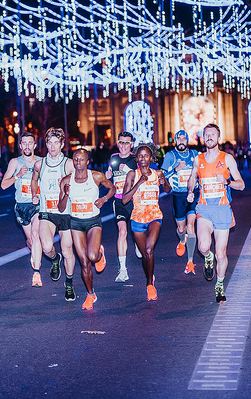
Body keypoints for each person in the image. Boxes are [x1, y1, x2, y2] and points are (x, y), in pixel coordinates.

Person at [187, 124, 245, 303]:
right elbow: (192, 178)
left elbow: (241, 184)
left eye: (213, 134)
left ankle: (219, 284)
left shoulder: (227, 159)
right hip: (204, 209)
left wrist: (227, 181)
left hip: (222, 210)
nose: (209, 137)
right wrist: (190, 191)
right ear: (203, 138)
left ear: (218, 138)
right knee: (203, 247)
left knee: (222, 253)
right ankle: (208, 258)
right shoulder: (198, 159)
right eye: (207, 134)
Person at [58, 149, 115, 309]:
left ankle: (100, 255)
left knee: (92, 255)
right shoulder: (66, 181)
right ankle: (91, 294)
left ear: (87, 161)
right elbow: (61, 208)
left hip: (93, 222)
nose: (78, 163)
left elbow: (112, 189)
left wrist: (103, 199)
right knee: (84, 262)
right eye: (75, 159)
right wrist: (66, 195)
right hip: (76, 223)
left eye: (81, 159)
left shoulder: (96, 176)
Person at [31, 127, 76, 301]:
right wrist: (35, 194)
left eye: (56, 143)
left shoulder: (69, 164)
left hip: (65, 212)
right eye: (49, 143)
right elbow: (34, 180)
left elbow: (81, 180)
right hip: (47, 211)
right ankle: (54, 260)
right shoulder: (39, 164)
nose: (52, 146)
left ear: (62, 144)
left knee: (67, 251)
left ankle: (69, 284)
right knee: (47, 247)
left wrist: (67, 187)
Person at [122, 143, 171, 301]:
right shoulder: (132, 175)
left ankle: (150, 284)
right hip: (137, 217)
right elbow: (124, 200)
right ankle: (150, 275)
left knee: (149, 250)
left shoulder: (157, 173)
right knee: (145, 255)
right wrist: (139, 183)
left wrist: (164, 182)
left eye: (146, 156)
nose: (143, 158)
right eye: (140, 155)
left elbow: (168, 190)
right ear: (136, 158)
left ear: (151, 158)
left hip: (154, 215)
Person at [1, 132, 43, 287]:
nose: (27, 146)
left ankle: (36, 274)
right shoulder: (15, 162)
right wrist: (18, 175)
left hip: (37, 205)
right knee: (32, 241)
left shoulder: (41, 161)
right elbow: (4, 185)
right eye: (24, 143)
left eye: (29, 143)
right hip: (21, 206)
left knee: (35, 234)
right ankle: (34, 252)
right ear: (20, 146)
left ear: (35, 145)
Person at [161, 130, 200, 275]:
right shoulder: (170, 156)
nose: (182, 140)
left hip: (192, 195)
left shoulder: (195, 154)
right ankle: (182, 239)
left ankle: (190, 262)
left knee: (191, 226)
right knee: (182, 229)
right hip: (178, 196)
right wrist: (176, 169)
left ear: (187, 140)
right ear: (176, 141)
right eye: (179, 138)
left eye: (184, 138)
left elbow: (201, 172)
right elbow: (162, 177)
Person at [105, 131, 138, 282]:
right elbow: (110, 177)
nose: (124, 146)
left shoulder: (135, 158)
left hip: (135, 200)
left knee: (136, 232)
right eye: (121, 142)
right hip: (118, 201)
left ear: (131, 145)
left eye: (127, 143)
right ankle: (123, 270)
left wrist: (129, 171)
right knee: (122, 231)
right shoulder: (113, 158)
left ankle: (138, 244)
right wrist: (107, 177)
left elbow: (141, 176)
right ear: (118, 143)